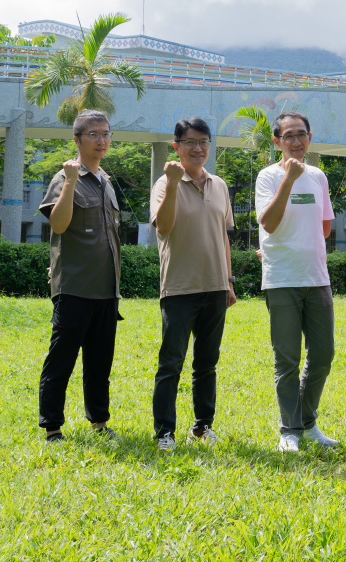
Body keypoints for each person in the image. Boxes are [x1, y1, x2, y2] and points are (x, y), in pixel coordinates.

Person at [149, 117, 237, 451]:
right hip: (179, 288)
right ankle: (164, 433)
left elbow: (223, 237)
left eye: (203, 141)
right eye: (190, 142)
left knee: (206, 363)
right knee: (171, 362)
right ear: (177, 146)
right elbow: (163, 227)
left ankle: (202, 426)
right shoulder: (164, 183)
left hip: (215, 287)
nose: (198, 148)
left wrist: (228, 281)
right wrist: (172, 184)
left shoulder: (219, 185)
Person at [37, 109, 122, 443]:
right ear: (77, 139)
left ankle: (99, 422)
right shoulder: (64, 178)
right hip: (74, 287)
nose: (101, 141)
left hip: (105, 288)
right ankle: (52, 427)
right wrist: (71, 182)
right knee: (62, 359)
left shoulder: (106, 182)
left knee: (100, 363)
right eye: (93, 135)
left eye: (106, 134)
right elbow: (58, 225)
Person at [256, 110, 339, 452]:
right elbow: (269, 224)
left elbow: (325, 227)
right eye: (288, 135)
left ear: (309, 138)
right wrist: (289, 180)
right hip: (282, 279)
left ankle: (307, 421)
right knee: (287, 358)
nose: (296, 141)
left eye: (301, 134)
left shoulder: (319, 176)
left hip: (316, 277)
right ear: (277, 141)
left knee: (323, 354)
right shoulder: (268, 177)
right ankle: (289, 429)